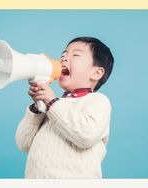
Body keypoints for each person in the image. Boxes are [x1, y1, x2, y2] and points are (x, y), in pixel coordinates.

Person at [15, 37, 114, 178]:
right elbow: (23, 143)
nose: (64, 58)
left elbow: (85, 135)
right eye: (64, 54)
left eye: (75, 55)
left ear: (96, 73)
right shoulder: (52, 106)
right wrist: (38, 109)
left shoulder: (97, 101)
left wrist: (51, 101)